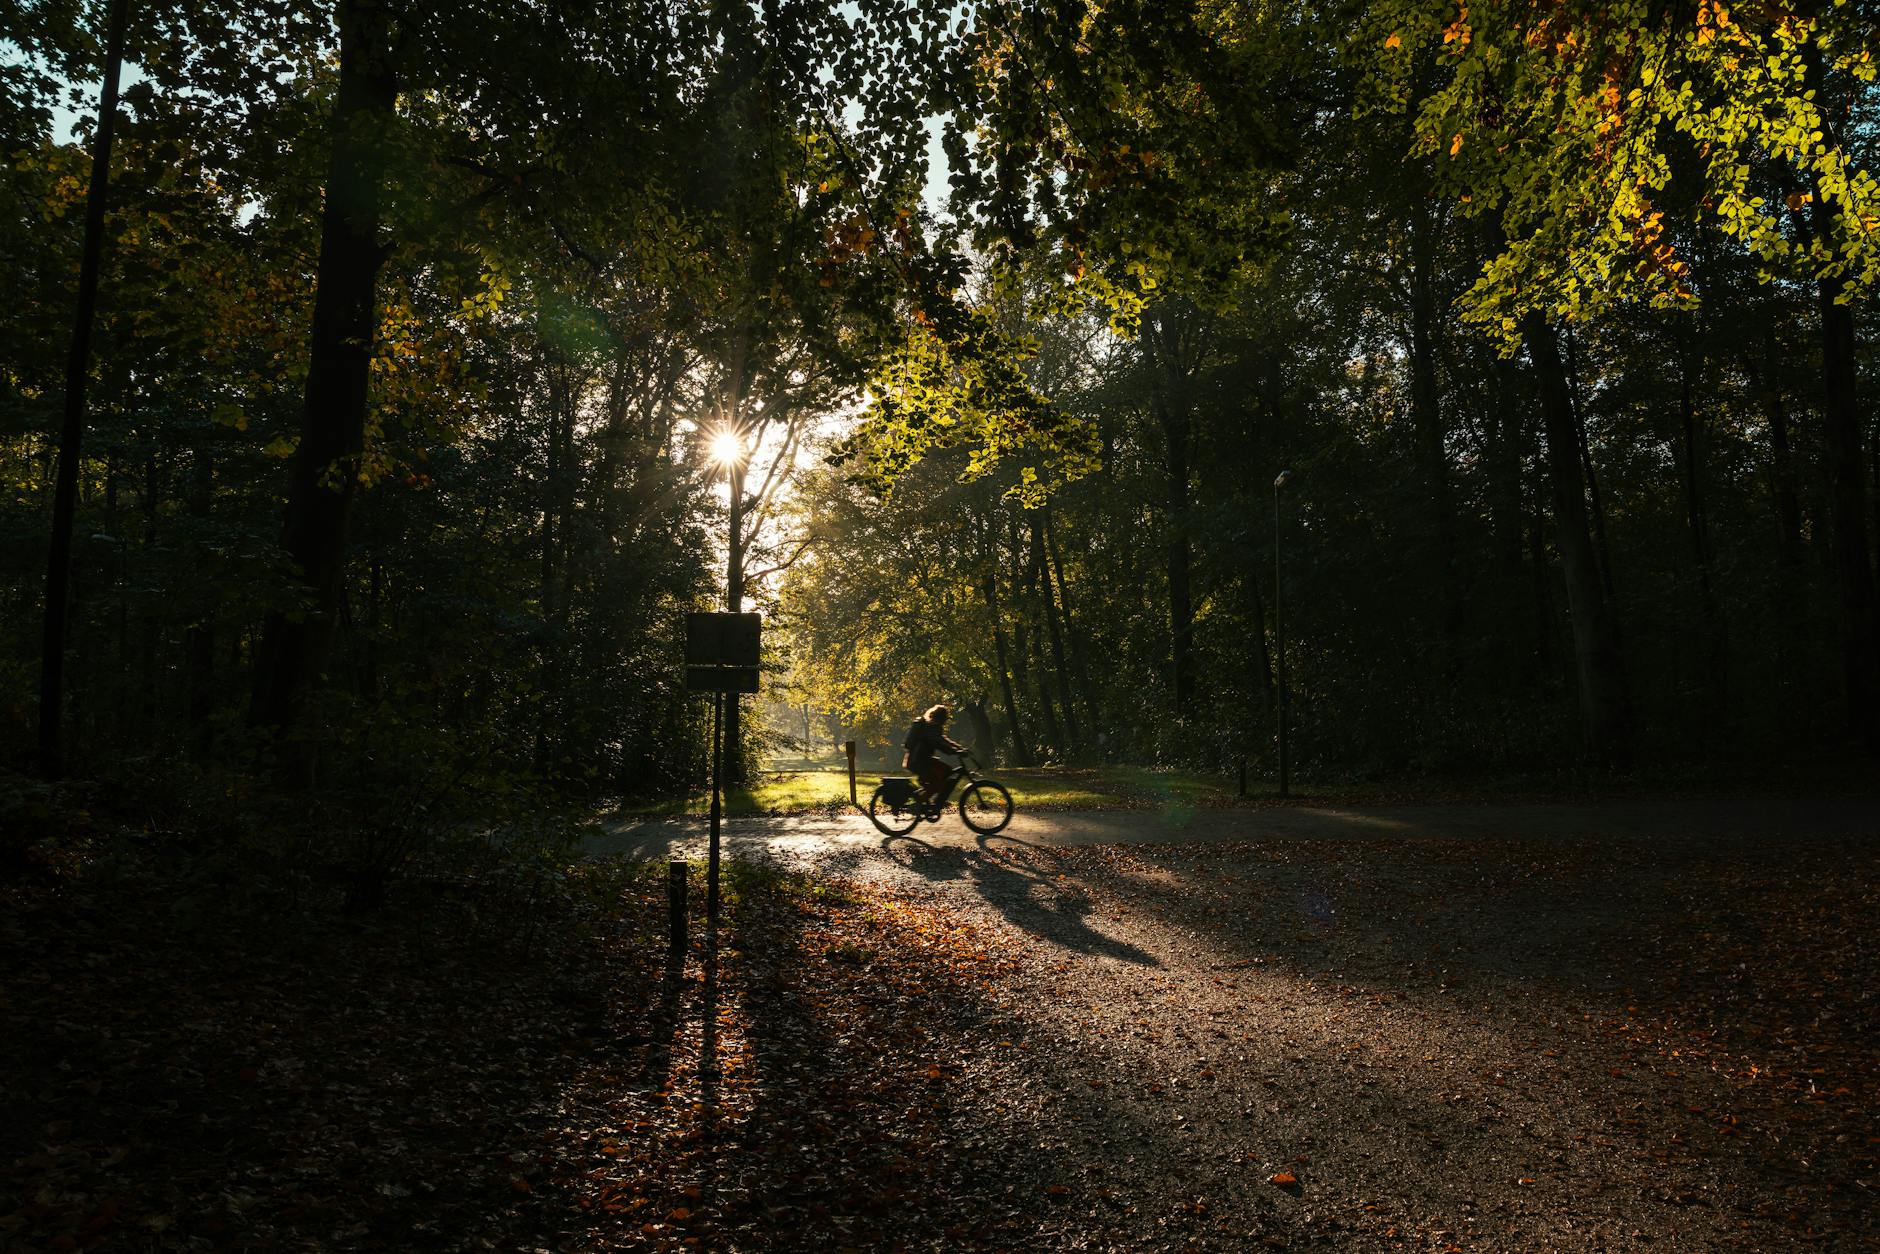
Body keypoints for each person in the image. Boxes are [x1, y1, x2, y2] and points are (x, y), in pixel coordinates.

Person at [903, 704, 965, 804]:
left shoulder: (932, 726)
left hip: (920, 760)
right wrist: (954, 751)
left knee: (946, 770)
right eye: (945, 718)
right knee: (937, 784)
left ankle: (937, 800)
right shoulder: (932, 727)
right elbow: (939, 743)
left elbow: (943, 740)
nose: (946, 721)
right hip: (919, 762)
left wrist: (959, 748)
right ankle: (919, 804)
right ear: (941, 718)